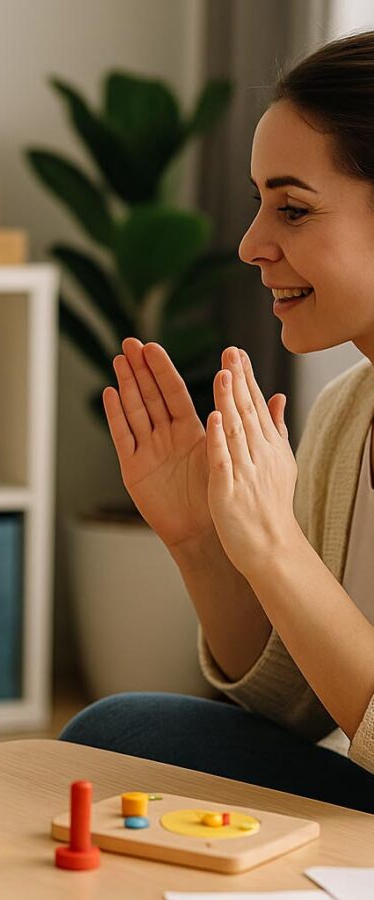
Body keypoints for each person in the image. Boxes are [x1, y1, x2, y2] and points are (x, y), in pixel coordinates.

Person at [60, 29, 374, 814]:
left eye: (293, 208)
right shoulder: (347, 413)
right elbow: (297, 706)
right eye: (259, 202)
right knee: (120, 732)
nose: (250, 244)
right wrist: (202, 539)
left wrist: (272, 542)